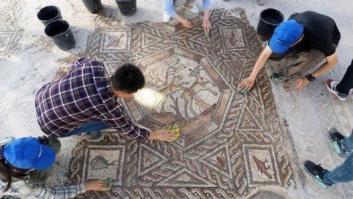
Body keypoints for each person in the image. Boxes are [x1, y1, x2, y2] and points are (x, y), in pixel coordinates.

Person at [35, 58, 177, 141]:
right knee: (107, 122)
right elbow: (128, 130)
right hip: (53, 129)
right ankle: (86, 133)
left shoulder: (95, 65)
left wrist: (65, 81)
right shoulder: (109, 108)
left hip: (41, 97)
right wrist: (156, 134)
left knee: (64, 79)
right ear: (122, 92)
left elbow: (74, 64)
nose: (132, 96)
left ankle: (58, 85)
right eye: (131, 94)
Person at [239, 11, 341, 92]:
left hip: (330, 37)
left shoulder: (322, 40)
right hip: (308, 25)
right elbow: (266, 53)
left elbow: (332, 63)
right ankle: (290, 53)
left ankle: (287, 72)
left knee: (306, 59)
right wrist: (251, 78)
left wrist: (309, 78)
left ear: (298, 40)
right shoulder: (288, 25)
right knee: (273, 54)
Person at [0, 137, 108, 198]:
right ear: (25, 170)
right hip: (8, 191)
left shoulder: (8, 143)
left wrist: (42, 142)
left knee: (54, 144)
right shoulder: (17, 184)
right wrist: (85, 186)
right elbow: (52, 195)